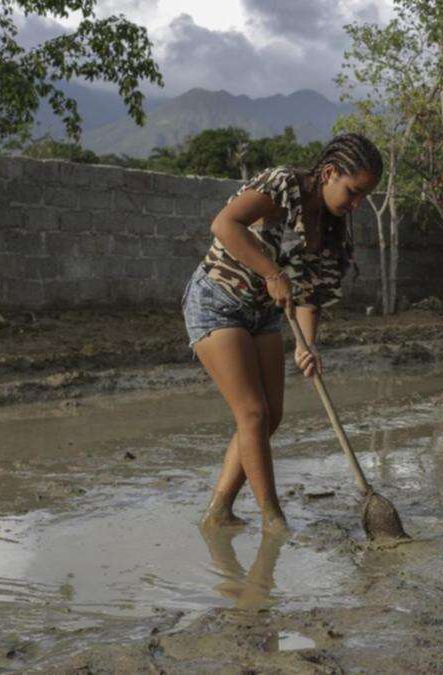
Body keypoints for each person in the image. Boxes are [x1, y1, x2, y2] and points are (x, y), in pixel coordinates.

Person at [181, 133, 382, 533]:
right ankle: (274, 521)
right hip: (217, 301)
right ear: (328, 173)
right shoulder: (283, 185)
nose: (356, 204)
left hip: (264, 314)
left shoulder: (332, 228)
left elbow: (311, 295)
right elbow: (224, 224)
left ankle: (220, 509)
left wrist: (307, 346)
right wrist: (272, 273)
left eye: (363, 197)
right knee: (252, 414)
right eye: (353, 192)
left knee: (270, 417)